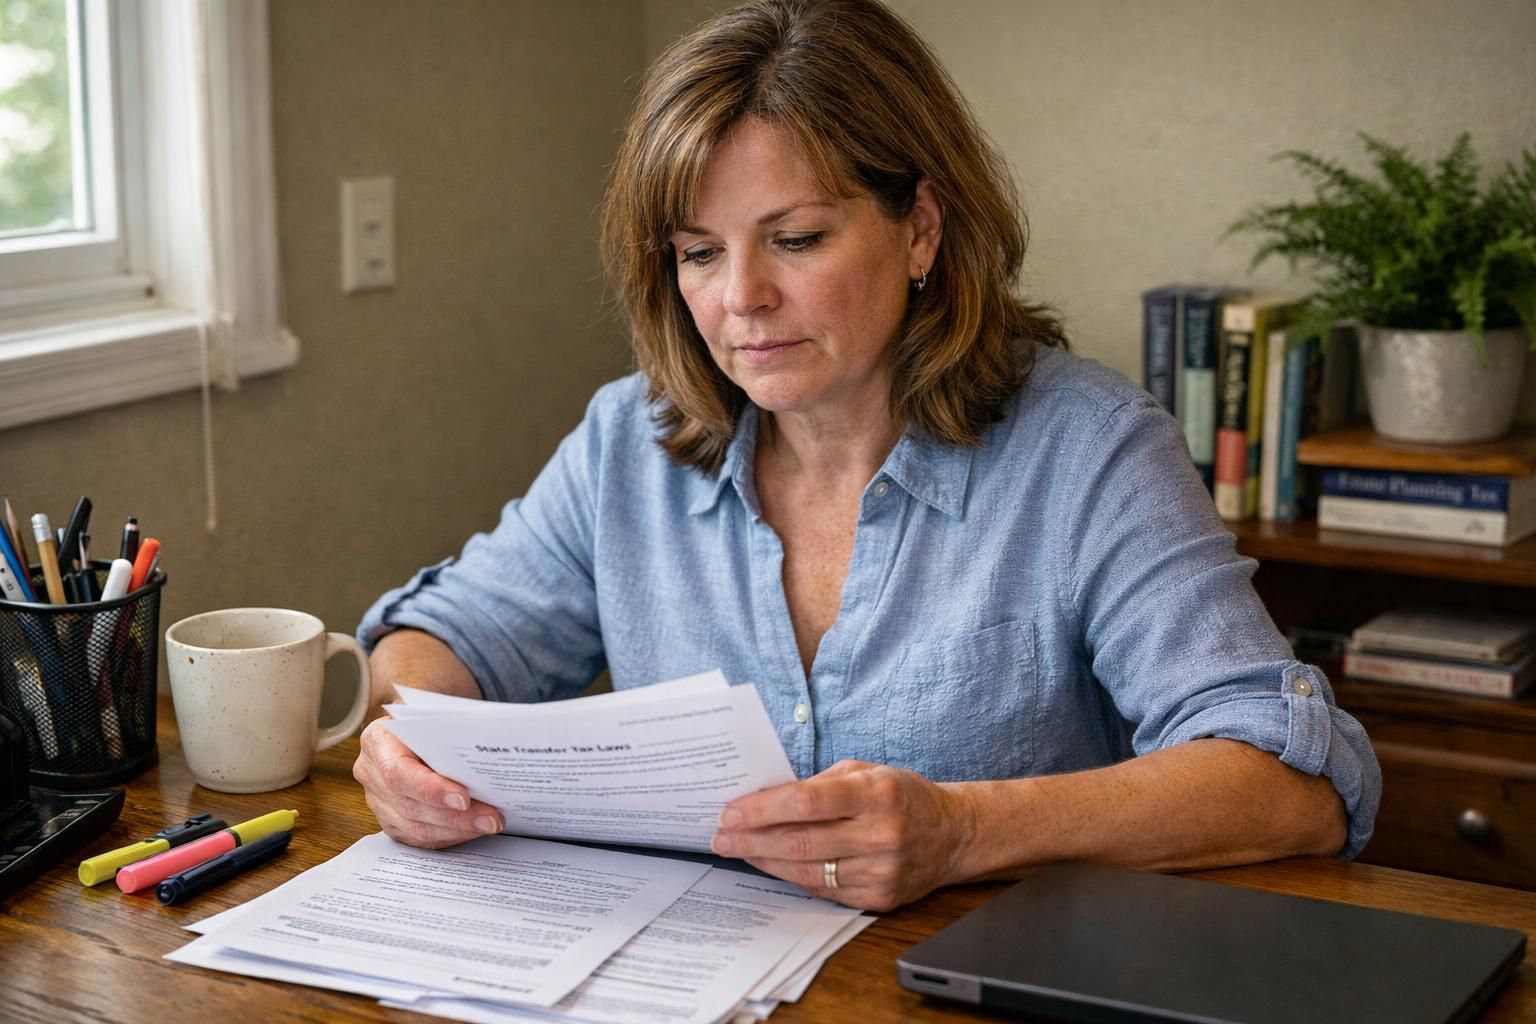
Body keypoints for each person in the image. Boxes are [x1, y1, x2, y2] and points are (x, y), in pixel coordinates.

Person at [353, 0, 1380, 912]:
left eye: (796, 239)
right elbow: (442, 637)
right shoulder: (629, 441)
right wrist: (409, 748)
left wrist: (968, 830)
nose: (740, 297)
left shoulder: (1092, 450)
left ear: (921, 228)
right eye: (700, 252)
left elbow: (1293, 786)